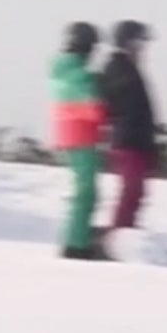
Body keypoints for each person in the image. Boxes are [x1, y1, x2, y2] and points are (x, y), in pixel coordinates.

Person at [51, 21, 107, 259]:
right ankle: (76, 244)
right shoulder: (79, 75)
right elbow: (92, 108)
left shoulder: (62, 70)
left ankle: (78, 239)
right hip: (81, 136)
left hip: (69, 134)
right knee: (86, 193)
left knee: (85, 191)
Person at [99, 20, 160, 235]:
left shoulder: (131, 69)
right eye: (140, 42)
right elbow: (113, 102)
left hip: (138, 139)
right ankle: (118, 231)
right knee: (131, 188)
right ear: (128, 43)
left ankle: (127, 229)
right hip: (127, 140)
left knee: (138, 191)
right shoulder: (117, 68)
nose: (144, 48)